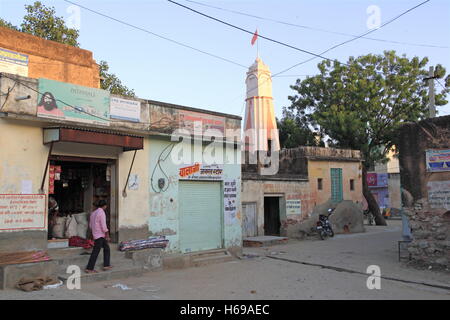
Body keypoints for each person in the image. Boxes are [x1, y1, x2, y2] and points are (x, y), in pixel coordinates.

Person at [85, 200, 112, 273]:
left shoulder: (93, 213)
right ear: (104, 206)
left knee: (106, 248)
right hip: (100, 235)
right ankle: (89, 268)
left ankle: (106, 265)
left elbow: (90, 226)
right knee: (96, 251)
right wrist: (107, 235)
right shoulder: (101, 212)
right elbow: (104, 226)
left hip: (96, 234)